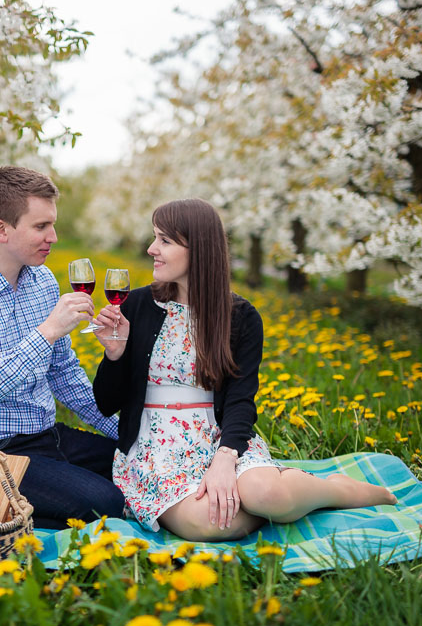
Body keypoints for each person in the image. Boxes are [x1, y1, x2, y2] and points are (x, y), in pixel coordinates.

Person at [91, 198, 396, 541]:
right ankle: (281, 503)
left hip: (219, 436)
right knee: (209, 522)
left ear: (200, 249)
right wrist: (114, 354)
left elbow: (240, 398)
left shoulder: (240, 317)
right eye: (155, 237)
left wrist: (225, 457)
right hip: (155, 449)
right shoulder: (137, 304)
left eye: (165, 240)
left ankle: (334, 491)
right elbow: (106, 403)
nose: (151, 249)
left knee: (268, 495)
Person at [0, 166, 124, 529]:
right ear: (1, 229)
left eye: (52, 225)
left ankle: (18, 504)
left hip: (46, 437)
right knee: (105, 501)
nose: (54, 237)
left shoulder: (42, 281)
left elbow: (63, 374)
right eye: (41, 226)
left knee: (137, 463)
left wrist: (125, 431)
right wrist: (47, 332)